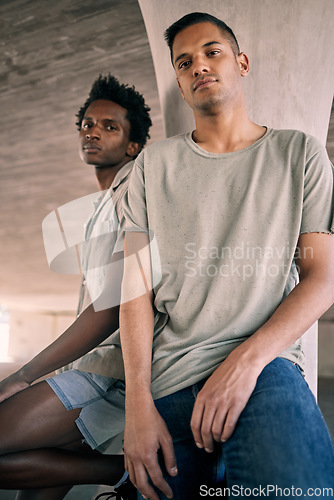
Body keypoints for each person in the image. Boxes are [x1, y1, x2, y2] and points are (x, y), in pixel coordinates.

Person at [119, 12, 334, 500]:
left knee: (297, 489)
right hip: (169, 382)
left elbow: (323, 277)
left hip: (266, 368)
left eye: (212, 52)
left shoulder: (299, 154)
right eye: (185, 62)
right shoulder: (153, 165)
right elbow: (134, 286)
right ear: (178, 79)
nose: (199, 66)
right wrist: (138, 405)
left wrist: (245, 363)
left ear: (241, 62)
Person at [0, 74, 151, 500]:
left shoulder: (134, 192)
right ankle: (120, 473)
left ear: (134, 145)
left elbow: (115, 302)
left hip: (108, 373)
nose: (93, 131)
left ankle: (120, 472)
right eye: (87, 123)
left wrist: (26, 374)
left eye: (110, 126)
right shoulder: (97, 210)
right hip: (88, 367)